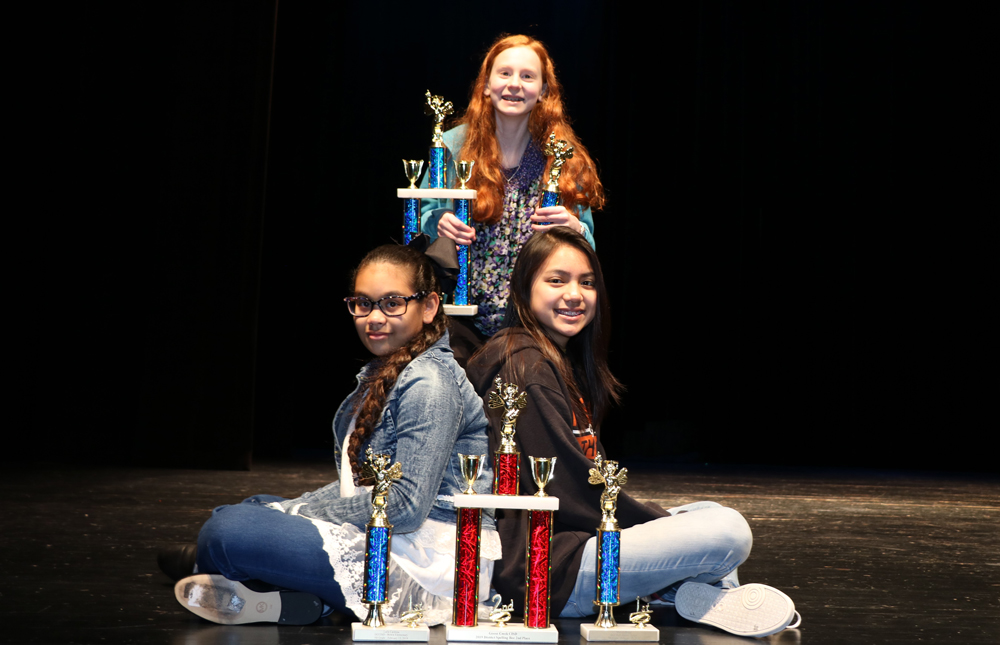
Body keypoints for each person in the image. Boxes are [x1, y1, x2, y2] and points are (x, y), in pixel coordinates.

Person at [465, 228, 801, 638]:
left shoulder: (555, 360)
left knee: (706, 512)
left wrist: (656, 524)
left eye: (587, 282)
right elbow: (567, 489)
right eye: (557, 280)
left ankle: (682, 595)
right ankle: (685, 593)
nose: (575, 294)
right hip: (549, 569)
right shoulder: (526, 367)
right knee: (728, 530)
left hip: (577, 543)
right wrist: (650, 523)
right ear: (524, 288)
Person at [164, 240, 500, 626]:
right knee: (256, 505)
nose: (374, 317)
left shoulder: (430, 383)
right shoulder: (391, 370)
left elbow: (405, 508)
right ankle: (297, 595)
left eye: (392, 303)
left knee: (227, 531)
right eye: (363, 303)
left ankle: (230, 566)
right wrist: (290, 509)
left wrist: (301, 512)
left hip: (425, 565)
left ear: (428, 307)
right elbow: (359, 490)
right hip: (394, 538)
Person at [420, 34, 606, 353]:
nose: (514, 84)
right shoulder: (452, 146)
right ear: (487, 85)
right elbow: (420, 215)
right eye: (504, 73)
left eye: (527, 76)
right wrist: (436, 223)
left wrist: (575, 229)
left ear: (544, 91)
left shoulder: (564, 156)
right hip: (460, 320)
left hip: (535, 326)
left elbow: (586, 245)